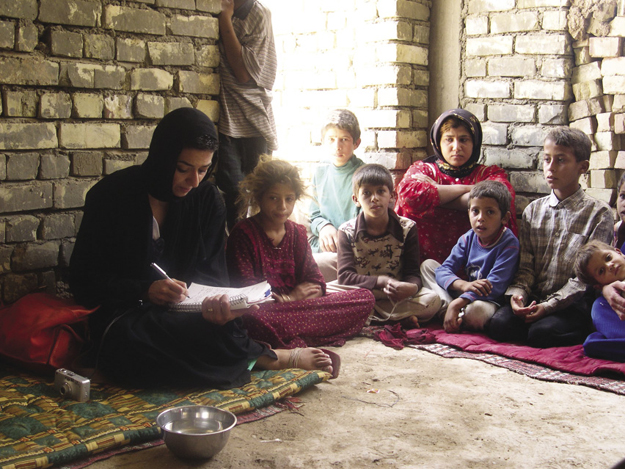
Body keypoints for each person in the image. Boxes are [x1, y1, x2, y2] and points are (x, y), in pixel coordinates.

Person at [70, 108, 337, 389]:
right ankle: (264, 357)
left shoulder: (206, 199)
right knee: (136, 341)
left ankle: (264, 357)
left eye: (203, 169)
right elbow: (83, 281)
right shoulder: (112, 196)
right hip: (128, 313)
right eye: (183, 169)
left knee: (223, 328)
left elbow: (211, 275)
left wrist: (216, 306)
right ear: (163, 157)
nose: (194, 181)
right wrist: (144, 290)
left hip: (187, 314)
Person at [226, 159, 375, 349]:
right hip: (264, 312)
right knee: (252, 319)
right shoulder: (243, 233)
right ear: (259, 198)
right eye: (273, 198)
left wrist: (302, 297)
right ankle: (303, 333)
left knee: (365, 298)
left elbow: (315, 280)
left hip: (298, 310)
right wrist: (292, 298)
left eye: (289, 199)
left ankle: (286, 334)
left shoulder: (297, 232)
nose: (282, 206)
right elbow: (245, 292)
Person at [487, 127, 613, 348]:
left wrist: (548, 307)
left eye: (561, 160)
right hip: (536, 295)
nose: (550, 168)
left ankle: (576, 329)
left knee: (541, 334)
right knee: (498, 325)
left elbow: (584, 280)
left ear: (582, 167)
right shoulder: (533, 211)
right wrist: (519, 295)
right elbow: (525, 266)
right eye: (547, 159)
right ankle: (534, 322)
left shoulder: (599, 214)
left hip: (572, 303)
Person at [395, 109, 517, 264]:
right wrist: (471, 188)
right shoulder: (424, 170)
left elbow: (500, 197)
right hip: (422, 265)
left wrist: (436, 194)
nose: (456, 147)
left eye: (464, 139)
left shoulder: (489, 174)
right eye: (449, 139)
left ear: (475, 142)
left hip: (477, 268)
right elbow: (409, 197)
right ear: (438, 142)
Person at [336, 164, 441, 326]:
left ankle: (368, 317)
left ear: (392, 195)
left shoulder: (407, 228)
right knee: (324, 293)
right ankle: (394, 318)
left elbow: (413, 272)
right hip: (361, 292)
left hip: (393, 295)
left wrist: (411, 288)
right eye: (366, 193)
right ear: (356, 199)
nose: (374, 198)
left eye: (380, 191)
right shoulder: (346, 231)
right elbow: (345, 277)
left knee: (432, 300)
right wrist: (380, 281)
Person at [420, 180, 520, 333]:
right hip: (466, 291)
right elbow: (443, 270)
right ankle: (450, 311)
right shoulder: (468, 238)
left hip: (489, 299)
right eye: (475, 211)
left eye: (490, 212)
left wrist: (457, 303)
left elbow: (494, 287)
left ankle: (451, 311)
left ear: (505, 218)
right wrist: (462, 285)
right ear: (468, 213)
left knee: (476, 313)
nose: (481, 218)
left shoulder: (509, 243)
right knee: (428, 266)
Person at [215, 0, 277, 230]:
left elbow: (242, 72)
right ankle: (237, 248)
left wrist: (225, 18)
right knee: (232, 191)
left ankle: (260, 246)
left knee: (262, 190)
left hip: (254, 117)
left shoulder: (258, 13)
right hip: (229, 119)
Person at [308, 110, 365, 280]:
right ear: (323, 142)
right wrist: (324, 226)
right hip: (325, 241)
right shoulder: (320, 171)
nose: (337, 146)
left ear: (356, 143)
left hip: (352, 243)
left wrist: (344, 235)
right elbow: (314, 214)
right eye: (331, 140)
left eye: (344, 139)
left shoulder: (363, 174)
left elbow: (368, 217)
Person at [574, 240, 625, 361]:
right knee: (591, 344)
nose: (610, 266)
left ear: (618, 252)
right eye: (601, 271)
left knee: (593, 344)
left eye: (608, 258)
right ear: (598, 285)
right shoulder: (604, 305)